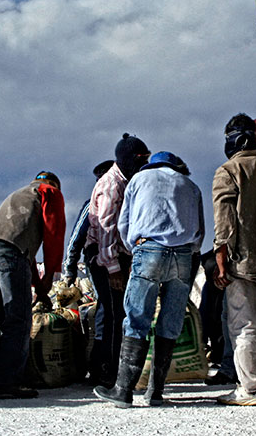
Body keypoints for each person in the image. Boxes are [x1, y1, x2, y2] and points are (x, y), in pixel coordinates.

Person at [94, 151, 204, 408]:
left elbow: (124, 223)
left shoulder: (139, 180)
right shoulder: (190, 185)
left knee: (137, 319)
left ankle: (123, 390)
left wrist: (136, 248)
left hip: (149, 250)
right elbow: (199, 230)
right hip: (184, 254)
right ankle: (156, 391)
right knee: (171, 321)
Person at [0, 171, 66, 399]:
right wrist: (51, 275)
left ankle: (0, 376)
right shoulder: (50, 192)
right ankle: (7, 382)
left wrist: (38, 286)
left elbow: (25, 256)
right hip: (9, 253)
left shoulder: (20, 194)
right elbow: (54, 233)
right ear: (54, 184)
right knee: (19, 320)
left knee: (5, 318)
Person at [213, 114, 256, 406]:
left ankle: (250, 390)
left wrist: (220, 258)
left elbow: (224, 222)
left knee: (243, 326)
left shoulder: (227, 171)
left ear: (235, 139)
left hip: (241, 264)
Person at [86, 133, 150, 386]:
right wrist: (113, 269)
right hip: (104, 257)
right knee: (114, 316)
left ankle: (104, 367)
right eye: (140, 159)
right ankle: (107, 371)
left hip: (115, 256)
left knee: (113, 312)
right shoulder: (112, 185)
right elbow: (105, 228)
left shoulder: (127, 181)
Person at [62, 159, 114, 384]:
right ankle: (99, 365)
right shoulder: (91, 205)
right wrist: (70, 270)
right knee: (106, 306)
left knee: (113, 309)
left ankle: (108, 363)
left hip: (117, 261)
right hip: (99, 263)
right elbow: (76, 239)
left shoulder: (122, 199)